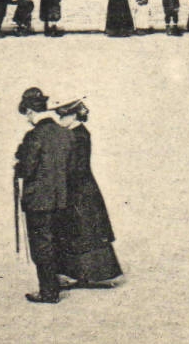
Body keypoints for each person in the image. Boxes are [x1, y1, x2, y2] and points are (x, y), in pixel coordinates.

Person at [13, 88, 73, 304]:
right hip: (61, 199)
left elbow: (27, 169)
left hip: (38, 200)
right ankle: (55, 284)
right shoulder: (65, 134)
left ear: (30, 111)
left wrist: (18, 164)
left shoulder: (35, 136)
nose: (28, 119)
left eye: (27, 114)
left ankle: (48, 292)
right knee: (56, 241)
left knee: (42, 246)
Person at [54, 100, 122, 287]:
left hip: (81, 190)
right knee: (77, 231)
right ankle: (79, 274)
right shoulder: (72, 134)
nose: (60, 120)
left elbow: (77, 167)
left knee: (86, 231)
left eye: (63, 115)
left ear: (74, 115)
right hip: (76, 188)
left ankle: (98, 274)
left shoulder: (80, 135)